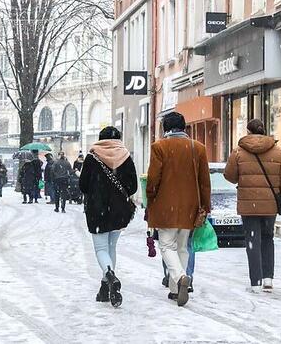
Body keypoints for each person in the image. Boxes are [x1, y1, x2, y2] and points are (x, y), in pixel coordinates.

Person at [146, 112, 211, 307]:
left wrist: (150, 198)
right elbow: (204, 182)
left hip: (165, 205)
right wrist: (205, 206)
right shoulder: (198, 148)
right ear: (184, 128)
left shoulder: (159, 147)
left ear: (166, 129)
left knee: (166, 246)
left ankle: (181, 277)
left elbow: (153, 179)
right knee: (183, 247)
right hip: (190, 206)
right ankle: (176, 290)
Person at [224, 119, 281, 293]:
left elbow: (229, 176)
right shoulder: (278, 153)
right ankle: (268, 279)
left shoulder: (238, 152)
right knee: (268, 238)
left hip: (248, 205)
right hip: (270, 205)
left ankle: (255, 281)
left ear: (248, 132)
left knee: (252, 241)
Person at [79, 126, 138, 308]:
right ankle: (106, 286)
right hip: (119, 210)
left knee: (101, 249)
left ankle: (109, 274)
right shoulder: (125, 156)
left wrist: (97, 192)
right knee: (112, 246)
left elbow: (83, 185)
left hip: (97, 210)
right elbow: (133, 186)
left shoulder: (92, 157)